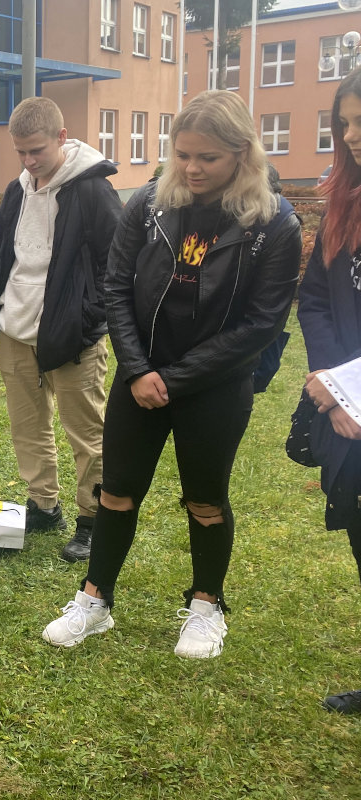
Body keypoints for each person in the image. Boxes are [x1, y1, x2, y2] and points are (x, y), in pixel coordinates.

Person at [41, 90, 301, 659]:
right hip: (140, 376)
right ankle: (95, 599)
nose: (191, 168)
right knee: (116, 493)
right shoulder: (150, 203)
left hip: (215, 385)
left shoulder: (274, 224)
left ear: (241, 153)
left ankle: (206, 606)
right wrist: (137, 370)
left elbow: (261, 323)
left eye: (207, 157)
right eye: (182, 154)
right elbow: (115, 285)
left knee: (206, 500)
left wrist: (175, 380)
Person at [0, 96, 123, 562]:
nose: (29, 161)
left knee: (87, 433)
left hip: (74, 337)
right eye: (20, 152)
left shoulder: (94, 191)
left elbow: (117, 267)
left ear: (62, 138)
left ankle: (92, 519)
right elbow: (1, 259)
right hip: (17, 331)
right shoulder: (18, 191)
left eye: (36, 150)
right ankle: (43, 503)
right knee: (28, 426)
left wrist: (86, 318)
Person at [296, 66, 361, 714]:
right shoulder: (344, 202)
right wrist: (339, 390)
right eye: (345, 123)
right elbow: (314, 300)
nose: (352, 135)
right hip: (348, 415)